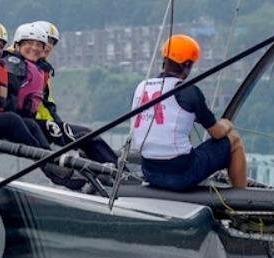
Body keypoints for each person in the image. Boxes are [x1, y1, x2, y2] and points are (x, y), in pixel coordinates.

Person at [131, 34, 246, 191]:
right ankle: (242, 196)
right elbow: (217, 133)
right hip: (182, 175)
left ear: (165, 60)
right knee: (234, 140)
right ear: (187, 65)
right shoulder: (189, 91)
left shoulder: (141, 87)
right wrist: (226, 124)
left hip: (150, 172)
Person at [32, 20, 117, 165]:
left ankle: (114, 171)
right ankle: (121, 174)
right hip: (35, 125)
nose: (49, 46)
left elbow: (48, 104)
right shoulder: (23, 67)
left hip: (46, 123)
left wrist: (59, 124)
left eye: (53, 42)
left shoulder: (41, 68)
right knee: (86, 135)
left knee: (87, 138)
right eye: (46, 40)